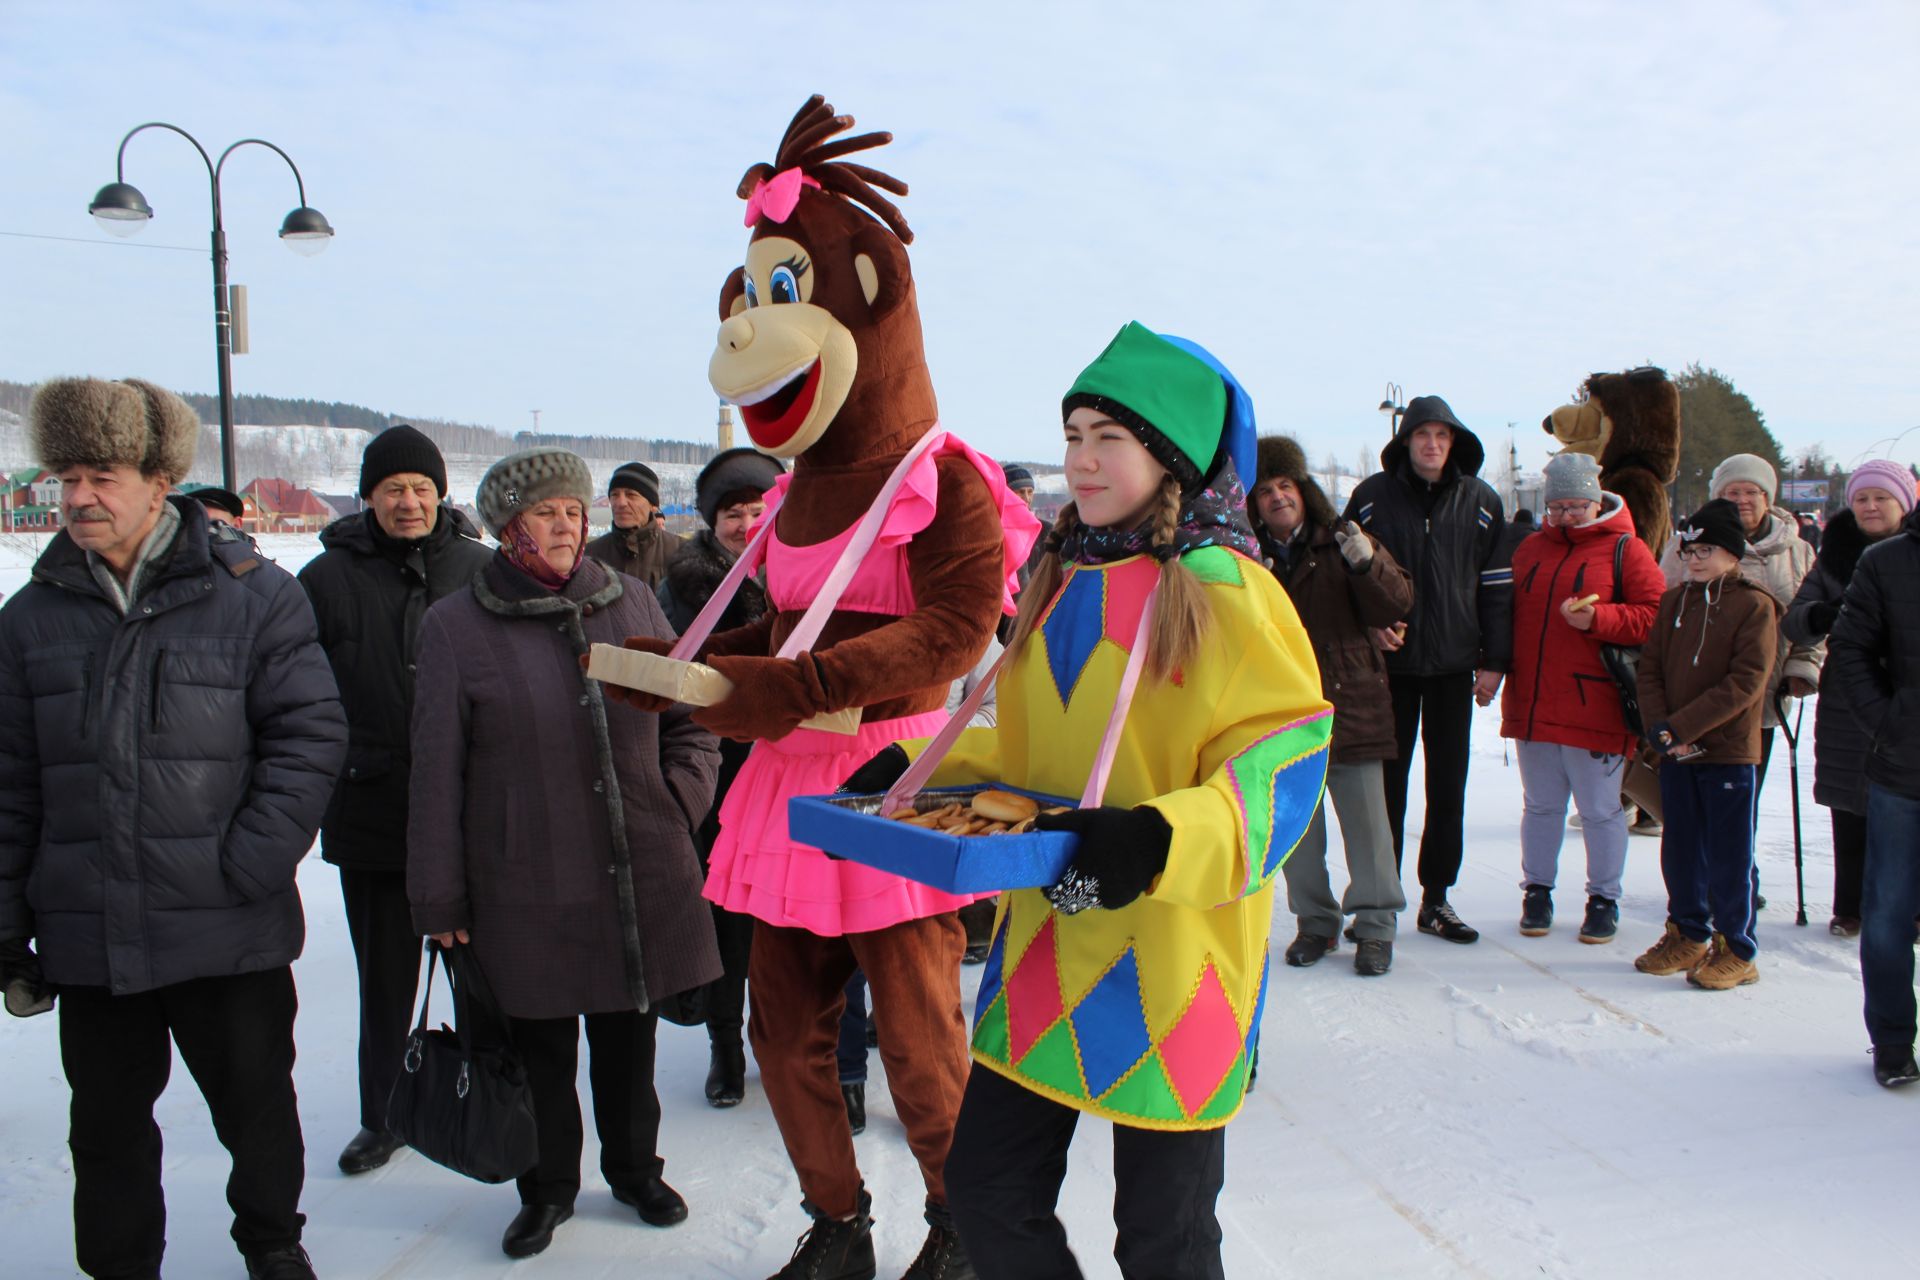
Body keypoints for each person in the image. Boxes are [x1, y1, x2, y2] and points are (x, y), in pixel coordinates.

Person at [873, 322, 1331, 1279]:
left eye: (1105, 439)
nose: (1078, 459)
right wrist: (924, 768)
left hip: (1173, 960)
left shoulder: (1225, 589)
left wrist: (1156, 841)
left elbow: (1283, 767)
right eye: (1073, 433)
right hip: (1048, 942)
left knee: (1162, 1240)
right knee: (990, 1195)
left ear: (1169, 458)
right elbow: (1035, 754)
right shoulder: (1058, 574)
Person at [0, 377, 347, 1280]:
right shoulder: (28, 620)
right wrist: (8, 923)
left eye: (102, 475)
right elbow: (9, 784)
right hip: (92, 930)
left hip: (226, 923)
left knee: (256, 1108)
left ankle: (272, 1243)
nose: (77, 496)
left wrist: (252, 863)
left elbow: (309, 736)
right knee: (107, 1130)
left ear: (161, 482)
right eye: (66, 475)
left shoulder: (253, 596)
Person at [407, 448, 722, 1259]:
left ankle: (633, 1170)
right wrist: (439, 901)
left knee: (629, 1041)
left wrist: (676, 803)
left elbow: (692, 722)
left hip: (634, 864)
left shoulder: (634, 599)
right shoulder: (455, 625)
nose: (567, 525)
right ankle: (546, 1188)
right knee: (540, 1046)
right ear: (510, 528)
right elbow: (437, 773)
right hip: (525, 877)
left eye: (574, 512)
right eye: (546, 513)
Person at [296, 424, 492, 1174]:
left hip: (471, 813)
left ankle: (493, 1090)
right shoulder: (325, 580)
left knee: (486, 974)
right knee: (383, 980)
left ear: (441, 494)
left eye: (420, 489)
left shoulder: (479, 568)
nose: (408, 503)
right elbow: (298, 696)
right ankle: (383, 1113)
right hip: (371, 807)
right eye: (392, 490)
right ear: (368, 497)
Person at [1344, 396, 1512, 943]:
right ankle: (1381, 900)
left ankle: (1436, 899)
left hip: (1453, 667)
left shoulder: (1482, 501)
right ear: (1406, 441)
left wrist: (1495, 661)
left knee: (1448, 786)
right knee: (1384, 787)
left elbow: (1495, 589)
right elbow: (1343, 578)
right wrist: (1369, 627)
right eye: (1422, 435)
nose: (1432, 445)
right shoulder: (1370, 498)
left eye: (1441, 435)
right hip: (1388, 669)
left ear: (1453, 441)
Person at [1249, 434, 1410, 976]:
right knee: (1298, 832)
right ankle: (1315, 923)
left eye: (1286, 485)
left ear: (1303, 488)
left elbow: (1396, 602)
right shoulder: (1247, 558)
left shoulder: (1344, 540)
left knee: (1368, 827)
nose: (1277, 497)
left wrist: (1367, 564)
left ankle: (1376, 926)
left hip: (1352, 701)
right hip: (1285, 713)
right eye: (1266, 489)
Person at [657, 445, 785, 1109]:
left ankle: (783, 1041)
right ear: (710, 521)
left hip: (793, 763)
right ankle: (726, 1045)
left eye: (755, 509)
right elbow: (669, 680)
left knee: (791, 916)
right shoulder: (684, 584)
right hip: (720, 766)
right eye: (731, 512)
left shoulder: (803, 571)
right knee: (729, 917)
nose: (744, 523)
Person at [1501, 453, 1664, 943]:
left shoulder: (1626, 550)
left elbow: (1654, 617)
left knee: (1600, 809)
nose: (1567, 516)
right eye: (1558, 507)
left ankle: (1603, 899)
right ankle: (1537, 892)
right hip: (1533, 702)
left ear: (1597, 503)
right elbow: (1507, 616)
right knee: (1542, 807)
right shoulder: (1530, 550)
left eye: (1577, 506)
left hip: (1597, 706)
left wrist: (1600, 620)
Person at [1633, 499, 1779, 990]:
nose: (1694, 559)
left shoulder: (1754, 604)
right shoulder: (1674, 601)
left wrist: (1684, 726)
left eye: (1706, 549)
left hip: (1727, 750)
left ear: (1732, 552)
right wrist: (1660, 726)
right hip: (1676, 750)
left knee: (1729, 854)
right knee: (1680, 847)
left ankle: (1737, 945)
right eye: (1688, 548)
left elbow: (1746, 682)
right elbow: (1649, 667)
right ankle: (1687, 932)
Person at [1784, 461, 1916, 937]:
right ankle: (1851, 905)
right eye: (1862, 498)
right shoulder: (1836, 556)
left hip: (1909, 692)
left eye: (1882, 498)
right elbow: (1794, 619)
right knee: (1852, 805)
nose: (1871, 506)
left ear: (1905, 503)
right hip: (1849, 696)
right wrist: (1826, 614)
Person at [1659, 454, 1820, 806]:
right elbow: (1661, 611)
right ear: (1718, 495)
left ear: (1768, 498)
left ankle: (1742, 861)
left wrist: (1802, 669)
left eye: (1752, 492)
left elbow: (1813, 620)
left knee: (1742, 799)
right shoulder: (1684, 546)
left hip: (1763, 692)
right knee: (1692, 802)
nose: (1742, 500)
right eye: (1732, 492)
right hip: (1694, 696)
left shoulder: (1798, 551)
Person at [1826, 490, 1920, 1088]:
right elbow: (1851, 648)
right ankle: (1891, 1040)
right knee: (1887, 911)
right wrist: (1890, 722)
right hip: (1905, 769)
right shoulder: (1886, 561)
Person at [584, 460, 678, 589]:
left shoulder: (681, 553)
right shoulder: (590, 556)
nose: (621, 503)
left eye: (631, 495)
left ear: (653, 505)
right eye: (615, 495)